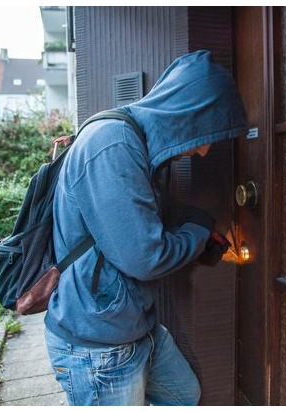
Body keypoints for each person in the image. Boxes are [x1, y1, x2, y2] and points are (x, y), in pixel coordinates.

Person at [44, 50, 248, 406]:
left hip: (134, 327)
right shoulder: (113, 146)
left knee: (183, 395)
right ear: (185, 113)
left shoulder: (134, 144)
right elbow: (146, 259)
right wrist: (198, 231)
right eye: (206, 134)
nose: (204, 151)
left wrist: (193, 229)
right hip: (98, 347)